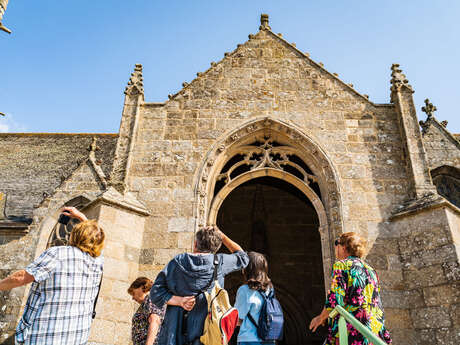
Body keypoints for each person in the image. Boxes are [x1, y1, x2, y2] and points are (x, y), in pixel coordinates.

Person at [0, 207, 104, 345]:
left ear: (75, 235)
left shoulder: (58, 254)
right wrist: (81, 217)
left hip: (47, 337)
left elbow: (21, 277)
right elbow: (96, 236)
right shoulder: (97, 262)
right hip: (77, 337)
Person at [150, 225, 249, 345]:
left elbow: (155, 292)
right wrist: (221, 235)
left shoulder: (178, 261)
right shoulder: (220, 262)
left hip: (175, 331)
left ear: (195, 244)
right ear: (216, 247)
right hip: (207, 334)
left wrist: (180, 301)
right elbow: (243, 257)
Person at [309, 232, 392, 345]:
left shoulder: (341, 265)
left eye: (336, 243)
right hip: (373, 331)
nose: (335, 247)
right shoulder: (371, 270)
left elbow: (335, 301)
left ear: (344, 247)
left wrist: (320, 318)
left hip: (352, 330)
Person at [128, 277, 196, 345]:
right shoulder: (149, 301)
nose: (133, 298)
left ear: (142, 287)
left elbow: (155, 320)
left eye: (133, 293)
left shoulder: (151, 298)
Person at [234, 251, 274, 345]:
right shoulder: (270, 289)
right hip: (269, 339)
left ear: (248, 268)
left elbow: (237, 319)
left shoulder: (244, 290)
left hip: (249, 339)